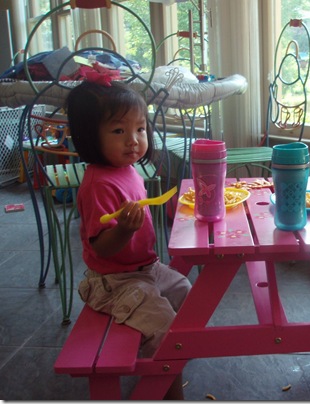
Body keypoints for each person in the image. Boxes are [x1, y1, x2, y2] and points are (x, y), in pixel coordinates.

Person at [66, 80, 192, 400]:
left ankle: (163, 358)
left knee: (186, 292)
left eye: (140, 128)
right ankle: (165, 387)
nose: (133, 140)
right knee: (166, 328)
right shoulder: (98, 184)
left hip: (145, 268)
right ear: (90, 136)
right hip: (114, 281)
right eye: (119, 130)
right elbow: (100, 247)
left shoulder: (128, 169)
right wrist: (123, 229)